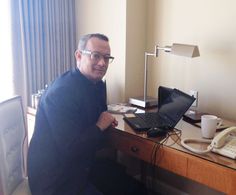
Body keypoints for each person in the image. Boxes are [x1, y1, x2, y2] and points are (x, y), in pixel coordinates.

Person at [27, 33, 147, 195]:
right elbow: (71, 149)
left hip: (79, 165)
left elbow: (94, 120)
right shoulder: (62, 92)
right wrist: (99, 126)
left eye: (106, 57)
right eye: (95, 56)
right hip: (55, 179)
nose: (102, 63)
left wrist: (103, 123)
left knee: (134, 188)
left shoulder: (94, 84)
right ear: (79, 55)